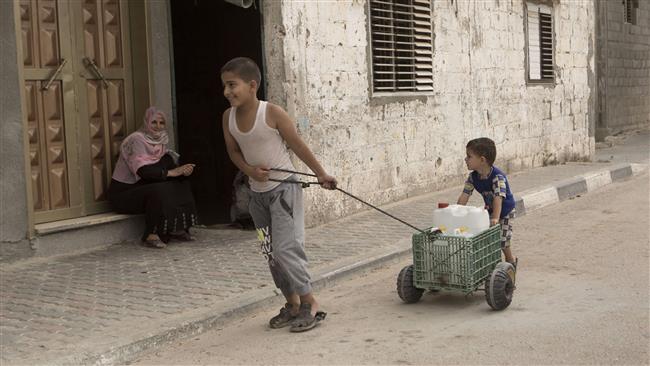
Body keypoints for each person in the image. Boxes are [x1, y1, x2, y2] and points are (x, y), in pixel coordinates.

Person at [220, 57, 337, 332]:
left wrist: (320, 174)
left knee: (286, 248)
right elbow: (233, 152)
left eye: (231, 85)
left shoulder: (272, 113)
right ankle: (292, 304)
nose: (226, 92)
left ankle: (310, 302)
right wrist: (249, 169)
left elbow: (297, 144)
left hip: (284, 190)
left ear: (252, 85)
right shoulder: (227, 117)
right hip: (256, 196)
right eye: (224, 86)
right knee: (270, 251)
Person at [109, 106, 198, 249]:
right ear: (146, 122)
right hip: (123, 194)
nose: (158, 127)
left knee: (181, 183)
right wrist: (171, 173)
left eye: (161, 123)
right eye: (153, 122)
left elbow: (161, 171)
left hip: (142, 188)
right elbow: (144, 172)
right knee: (159, 189)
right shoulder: (136, 140)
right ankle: (152, 234)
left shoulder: (160, 142)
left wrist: (181, 172)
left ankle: (177, 227)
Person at [456, 137, 517, 268]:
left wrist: (495, 218)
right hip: (490, 210)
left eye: (469, 156)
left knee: (502, 240)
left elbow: (498, 198)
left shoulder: (497, 176)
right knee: (486, 239)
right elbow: (465, 194)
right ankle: (492, 265)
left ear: (482, 160)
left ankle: (510, 261)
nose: (465, 159)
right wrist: (456, 210)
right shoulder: (473, 177)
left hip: (505, 211)